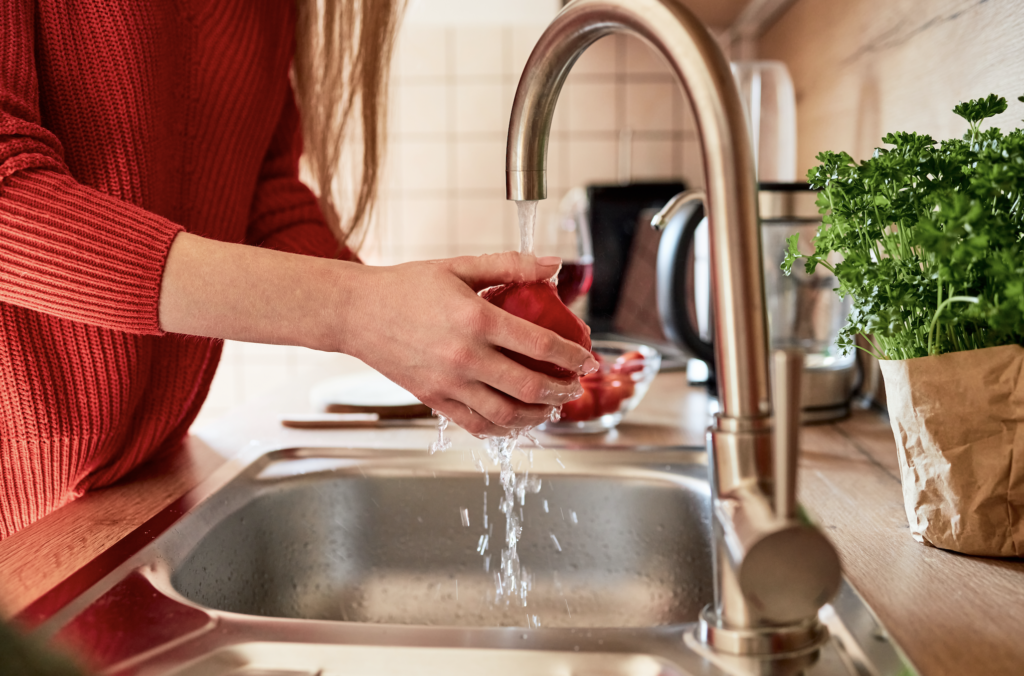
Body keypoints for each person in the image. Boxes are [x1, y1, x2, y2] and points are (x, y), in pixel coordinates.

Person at [0, 0, 595, 540]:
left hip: (133, 482)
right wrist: (357, 309)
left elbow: (262, 194)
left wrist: (427, 323)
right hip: (22, 510)